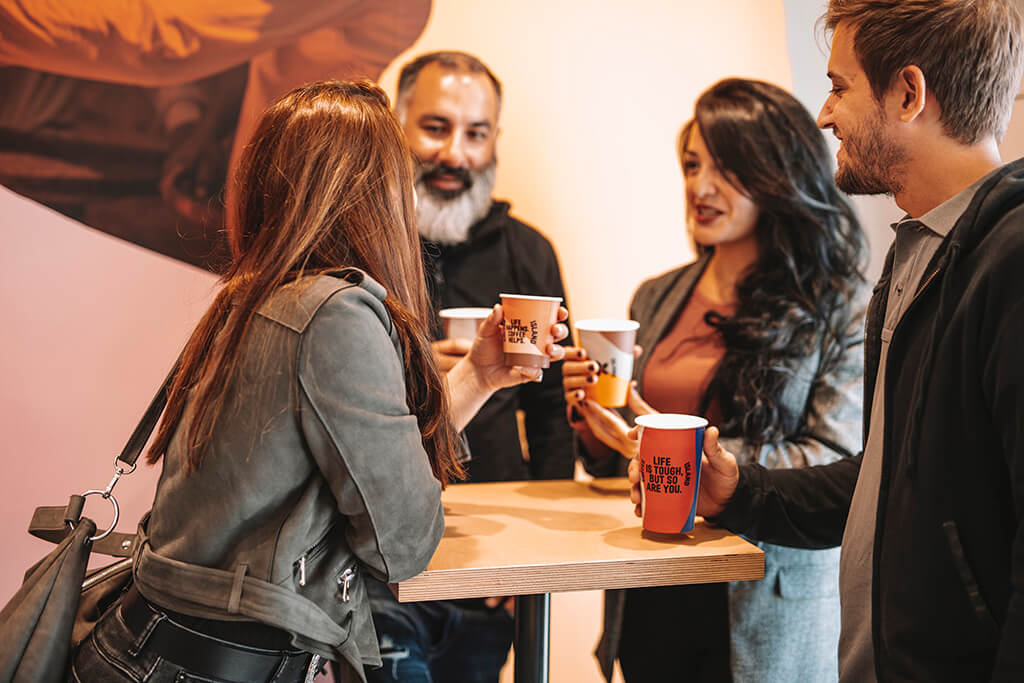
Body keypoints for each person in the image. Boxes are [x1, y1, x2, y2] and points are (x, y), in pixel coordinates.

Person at [69, 80, 568, 683]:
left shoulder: (258, 295)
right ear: (372, 192)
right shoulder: (338, 314)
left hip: (151, 648)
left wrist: (478, 375)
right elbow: (404, 543)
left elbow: (362, 465)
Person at [628, 1, 1024, 680]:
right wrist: (738, 491)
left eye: (839, 86)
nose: (824, 113)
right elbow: (877, 480)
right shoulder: (913, 254)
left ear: (907, 93)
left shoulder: (1011, 259)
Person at [564, 78, 867, 682]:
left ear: (776, 173)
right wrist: (591, 420)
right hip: (653, 586)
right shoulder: (655, 296)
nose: (699, 188)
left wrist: (677, 455)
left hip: (764, 592)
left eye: (725, 168)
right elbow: (613, 461)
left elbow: (835, 457)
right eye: (692, 165)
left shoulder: (838, 306)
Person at [358, 51, 575, 683]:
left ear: (494, 140)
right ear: (396, 126)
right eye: (435, 127)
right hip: (378, 561)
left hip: (492, 560)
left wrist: (538, 561)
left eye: (476, 133)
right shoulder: (362, 243)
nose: (456, 153)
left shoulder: (529, 253)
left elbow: (551, 416)